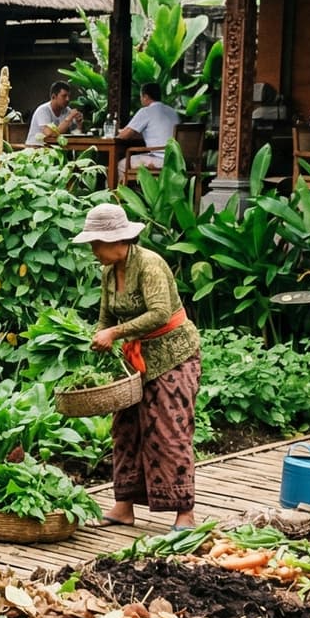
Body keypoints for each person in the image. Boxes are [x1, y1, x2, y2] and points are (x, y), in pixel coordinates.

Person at [75, 203, 203, 526]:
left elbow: (160, 313)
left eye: (96, 244)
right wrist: (96, 339)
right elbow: (106, 317)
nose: (93, 250)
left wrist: (115, 333)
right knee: (126, 428)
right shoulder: (107, 272)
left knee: (169, 429)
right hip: (136, 360)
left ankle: (184, 513)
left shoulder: (149, 265)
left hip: (173, 355)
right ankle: (124, 506)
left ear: (117, 240)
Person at [117, 81, 181, 179]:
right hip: (176, 159)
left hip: (160, 160)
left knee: (121, 165)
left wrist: (117, 133)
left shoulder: (146, 111)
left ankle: (121, 194)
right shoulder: (173, 112)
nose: (141, 100)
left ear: (146, 97)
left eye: (141, 97)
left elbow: (124, 135)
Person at [25, 81, 82, 148]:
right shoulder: (43, 110)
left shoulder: (67, 110)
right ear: (53, 96)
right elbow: (49, 134)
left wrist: (79, 123)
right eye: (64, 96)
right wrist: (69, 118)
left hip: (55, 148)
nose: (67, 99)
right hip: (36, 147)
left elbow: (75, 133)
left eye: (69, 96)